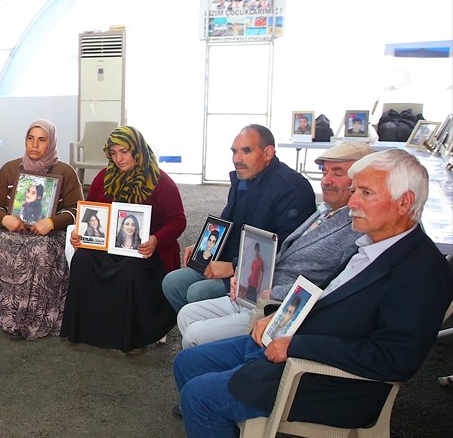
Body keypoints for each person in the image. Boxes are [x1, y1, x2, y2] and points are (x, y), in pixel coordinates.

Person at [168, 149, 452, 438]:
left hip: (330, 380)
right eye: (356, 190)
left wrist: (296, 345)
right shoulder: (373, 243)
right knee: (188, 363)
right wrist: (279, 318)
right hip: (297, 343)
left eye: (366, 193)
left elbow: (395, 360)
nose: (352, 201)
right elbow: (326, 298)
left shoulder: (422, 272)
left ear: (405, 203)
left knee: (199, 395)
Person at [176, 141, 371, 350]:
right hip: (255, 287)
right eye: (324, 172)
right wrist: (238, 271)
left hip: (280, 306)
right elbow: (232, 225)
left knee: (195, 330)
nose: (326, 181)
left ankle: (220, 363)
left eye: (337, 173)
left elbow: (331, 285)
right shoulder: (324, 210)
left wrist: (245, 274)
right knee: (186, 314)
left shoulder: (357, 224)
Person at [162, 124, 315, 311]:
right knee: (172, 282)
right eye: (234, 152)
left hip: (262, 274)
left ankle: (219, 325)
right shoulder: (243, 179)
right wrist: (206, 245)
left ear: (268, 153)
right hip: (232, 258)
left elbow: (288, 248)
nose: (237, 159)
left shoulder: (293, 188)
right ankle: (198, 324)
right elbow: (228, 222)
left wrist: (234, 267)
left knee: (198, 292)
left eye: (246, 151)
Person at [61, 126, 185, 354]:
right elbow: (91, 211)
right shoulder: (104, 178)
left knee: (131, 268)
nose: (118, 159)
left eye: (124, 152)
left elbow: (178, 220)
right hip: (107, 245)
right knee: (83, 259)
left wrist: (156, 239)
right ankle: (88, 329)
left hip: (146, 250)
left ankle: (134, 337)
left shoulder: (160, 181)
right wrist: (81, 234)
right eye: (113, 153)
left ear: (137, 150)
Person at [0, 119, 83, 340]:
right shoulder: (10, 169)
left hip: (49, 235)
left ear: (51, 142)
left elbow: (77, 209)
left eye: (42, 140)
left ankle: (36, 320)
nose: (34, 145)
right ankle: (4, 315)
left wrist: (52, 222)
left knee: (39, 251)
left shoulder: (65, 172)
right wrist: (4, 218)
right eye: (30, 138)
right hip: (13, 230)